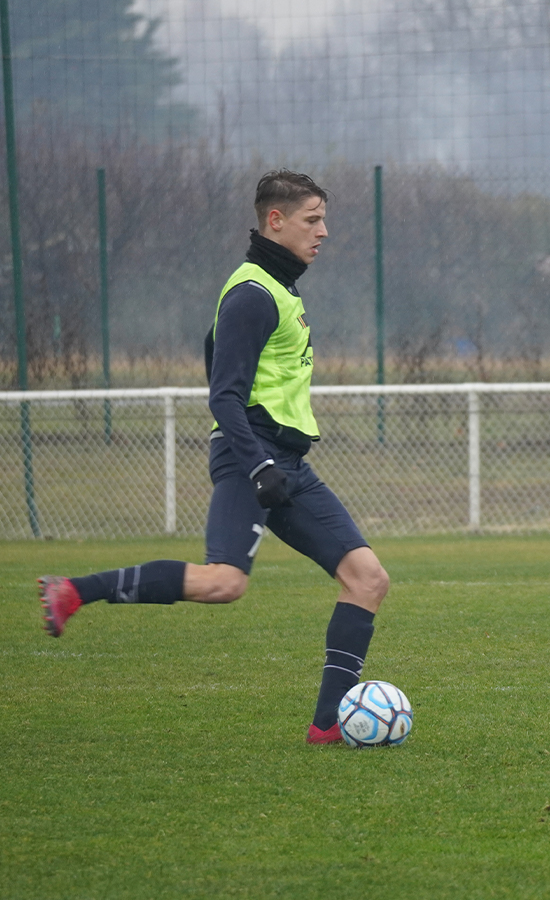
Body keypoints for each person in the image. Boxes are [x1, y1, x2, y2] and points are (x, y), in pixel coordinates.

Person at [38, 170, 390, 743]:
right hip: (252, 458)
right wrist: (257, 464)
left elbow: (228, 363)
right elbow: (224, 394)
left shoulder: (279, 287)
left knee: (368, 579)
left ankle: (328, 726)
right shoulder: (252, 292)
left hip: (285, 463)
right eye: (312, 219)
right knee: (224, 581)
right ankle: (74, 590)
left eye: (323, 219)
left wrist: (276, 464)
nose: (323, 231)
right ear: (275, 221)